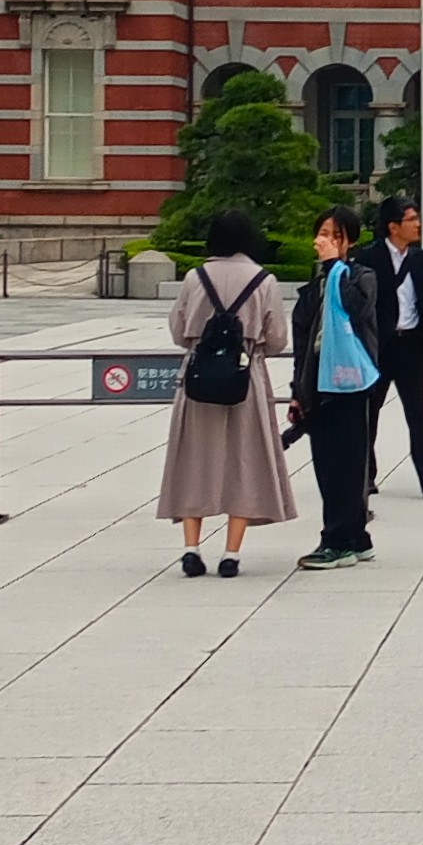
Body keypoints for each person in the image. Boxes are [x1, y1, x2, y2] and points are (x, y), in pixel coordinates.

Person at [160, 211, 293, 577]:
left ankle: (191, 547)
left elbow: (177, 330)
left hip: (199, 378)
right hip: (245, 378)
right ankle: (231, 554)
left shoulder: (194, 277)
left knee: (193, 459)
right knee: (244, 461)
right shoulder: (264, 281)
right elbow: (278, 339)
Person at [291, 208, 387, 571]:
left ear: (349, 241)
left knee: (345, 465)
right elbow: (303, 342)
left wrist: (334, 268)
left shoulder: (360, 276)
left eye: (335, 235)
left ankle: (337, 540)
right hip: (318, 383)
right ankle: (356, 537)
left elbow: (357, 309)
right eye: (322, 233)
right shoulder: (313, 283)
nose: (325, 240)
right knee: (327, 463)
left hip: (349, 383)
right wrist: (298, 391)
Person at [362, 196, 423, 498]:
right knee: (368, 412)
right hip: (378, 348)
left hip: (411, 345)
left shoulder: (421, 259)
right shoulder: (368, 259)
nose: (418, 224)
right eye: (412, 219)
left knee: (418, 411)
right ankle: (365, 476)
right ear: (393, 226)